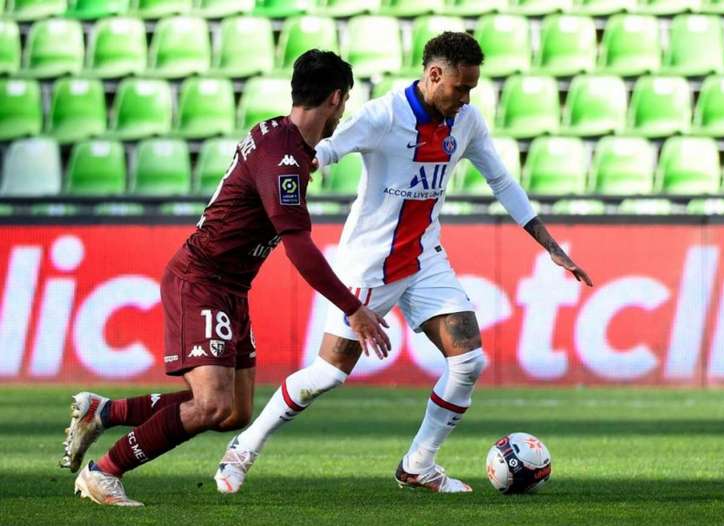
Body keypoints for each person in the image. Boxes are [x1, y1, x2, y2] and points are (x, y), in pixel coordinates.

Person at [214, 31, 593, 494]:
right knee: (328, 374)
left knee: (469, 361)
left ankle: (418, 463)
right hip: (369, 264)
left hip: (424, 258)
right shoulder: (382, 116)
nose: (466, 99)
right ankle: (244, 447)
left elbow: (501, 180)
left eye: (472, 89)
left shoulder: (467, 122)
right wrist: (291, 171)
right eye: (460, 88)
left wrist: (550, 246)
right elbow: (323, 150)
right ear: (434, 75)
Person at [59, 49, 390, 507]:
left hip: (230, 285)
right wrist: (353, 308)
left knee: (234, 411)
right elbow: (299, 247)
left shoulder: (278, 136)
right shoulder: (285, 161)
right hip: (203, 278)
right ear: (336, 98)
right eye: (346, 100)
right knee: (210, 404)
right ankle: (104, 472)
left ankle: (105, 411)